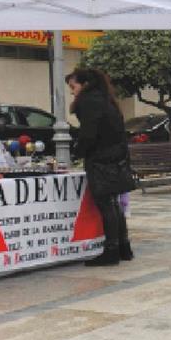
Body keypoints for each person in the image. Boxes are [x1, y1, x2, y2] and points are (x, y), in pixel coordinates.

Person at [66, 68, 133, 266]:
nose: (72, 91)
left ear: (84, 84)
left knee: (106, 204)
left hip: (102, 159)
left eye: (73, 87)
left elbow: (89, 134)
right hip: (116, 156)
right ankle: (123, 246)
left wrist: (78, 151)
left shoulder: (89, 102)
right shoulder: (106, 100)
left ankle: (111, 250)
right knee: (114, 203)